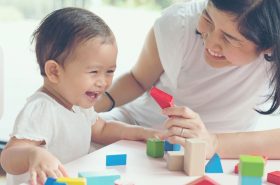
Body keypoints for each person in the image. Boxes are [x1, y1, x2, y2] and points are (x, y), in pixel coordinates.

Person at [95, 0, 280, 159]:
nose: (209, 41)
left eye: (229, 38)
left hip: (223, 150)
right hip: (137, 127)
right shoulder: (179, 24)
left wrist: (213, 143)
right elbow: (138, 80)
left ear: (269, 46)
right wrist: (90, 104)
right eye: (208, 18)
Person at [0, 7, 162, 185]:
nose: (103, 82)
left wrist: (141, 132)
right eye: (94, 71)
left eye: (109, 71)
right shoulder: (41, 109)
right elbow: (8, 157)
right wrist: (34, 154)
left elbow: (102, 129)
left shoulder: (78, 103)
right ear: (54, 71)